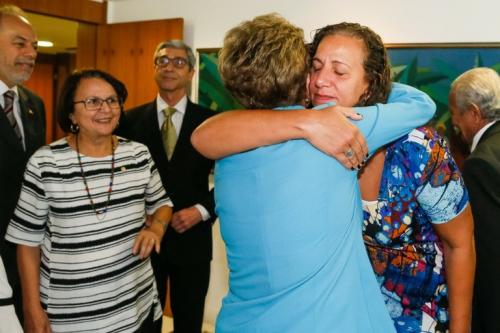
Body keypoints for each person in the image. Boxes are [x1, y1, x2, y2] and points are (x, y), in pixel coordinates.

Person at [192, 14, 436, 332]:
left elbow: (203, 136)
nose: (322, 80)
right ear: (300, 74)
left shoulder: (227, 150)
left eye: (338, 71)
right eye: (316, 67)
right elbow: (421, 103)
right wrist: (364, 84)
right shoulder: (340, 124)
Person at [5, 69, 173, 333]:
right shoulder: (45, 162)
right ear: (71, 113)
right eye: (92, 102)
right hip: (72, 316)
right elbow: (27, 242)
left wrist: (156, 229)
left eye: (112, 100)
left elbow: (162, 203)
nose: (105, 109)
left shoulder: (138, 154)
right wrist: (31, 308)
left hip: (136, 307)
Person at [117, 40, 216, 333]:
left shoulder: (211, 122)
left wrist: (201, 210)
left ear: (191, 72)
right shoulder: (128, 121)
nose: (169, 67)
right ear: (154, 68)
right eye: (162, 61)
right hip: (144, 238)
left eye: (179, 62)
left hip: (193, 237)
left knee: (189, 321)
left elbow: (231, 181)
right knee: (145, 321)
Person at [0, 4, 45, 323]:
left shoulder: (33, 104)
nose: (31, 53)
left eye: (35, 45)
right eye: (20, 43)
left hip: (26, 249)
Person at [449, 67, 500, 333]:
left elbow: (490, 258)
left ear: (474, 113)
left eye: (455, 112)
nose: (453, 121)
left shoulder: (480, 164)